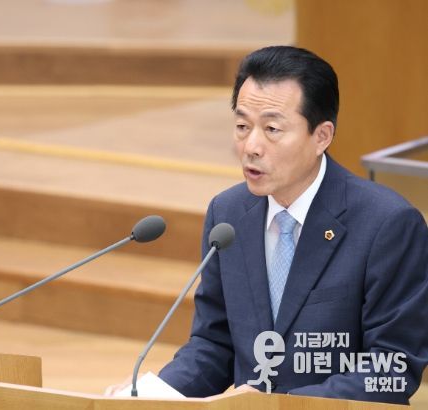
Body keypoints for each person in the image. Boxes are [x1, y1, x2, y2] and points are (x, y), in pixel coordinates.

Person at [110, 46, 428, 404]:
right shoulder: (228, 214)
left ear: (321, 136)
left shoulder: (387, 224)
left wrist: (279, 404)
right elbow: (214, 344)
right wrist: (153, 395)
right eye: (242, 126)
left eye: (272, 129)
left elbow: (393, 370)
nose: (251, 146)